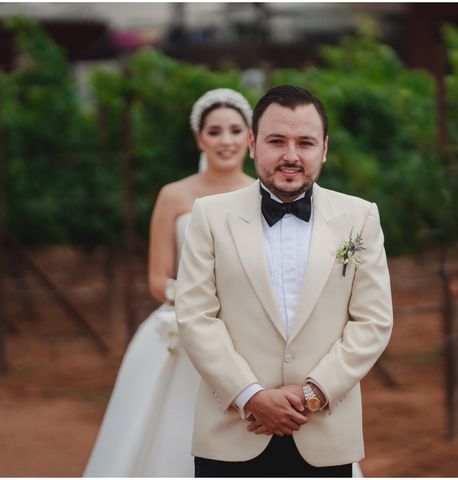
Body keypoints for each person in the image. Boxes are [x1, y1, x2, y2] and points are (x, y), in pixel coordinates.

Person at [175, 85, 393, 477]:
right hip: (232, 433)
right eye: (277, 141)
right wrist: (250, 396)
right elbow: (195, 317)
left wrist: (312, 394)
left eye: (305, 142)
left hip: (324, 434)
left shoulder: (359, 217)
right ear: (254, 144)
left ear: (324, 149)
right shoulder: (209, 216)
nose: (291, 156)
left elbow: (373, 322)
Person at [83, 88, 255, 477]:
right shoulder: (174, 195)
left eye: (234, 130)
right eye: (214, 131)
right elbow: (158, 280)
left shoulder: (262, 195)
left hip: (246, 331)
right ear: (200, 139)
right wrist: (199, 304)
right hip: (180, 329)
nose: (225, 141)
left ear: (250, 136)